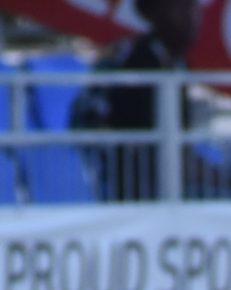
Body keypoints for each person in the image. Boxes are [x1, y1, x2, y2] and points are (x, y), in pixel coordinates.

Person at [69, 0, 196, 201]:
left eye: (194, 9)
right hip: (133, 186)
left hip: (167, 183)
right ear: (155, 13)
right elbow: (124, 124)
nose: (193, 19)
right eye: (183, 8)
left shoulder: (178, 63)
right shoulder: (135, 60)